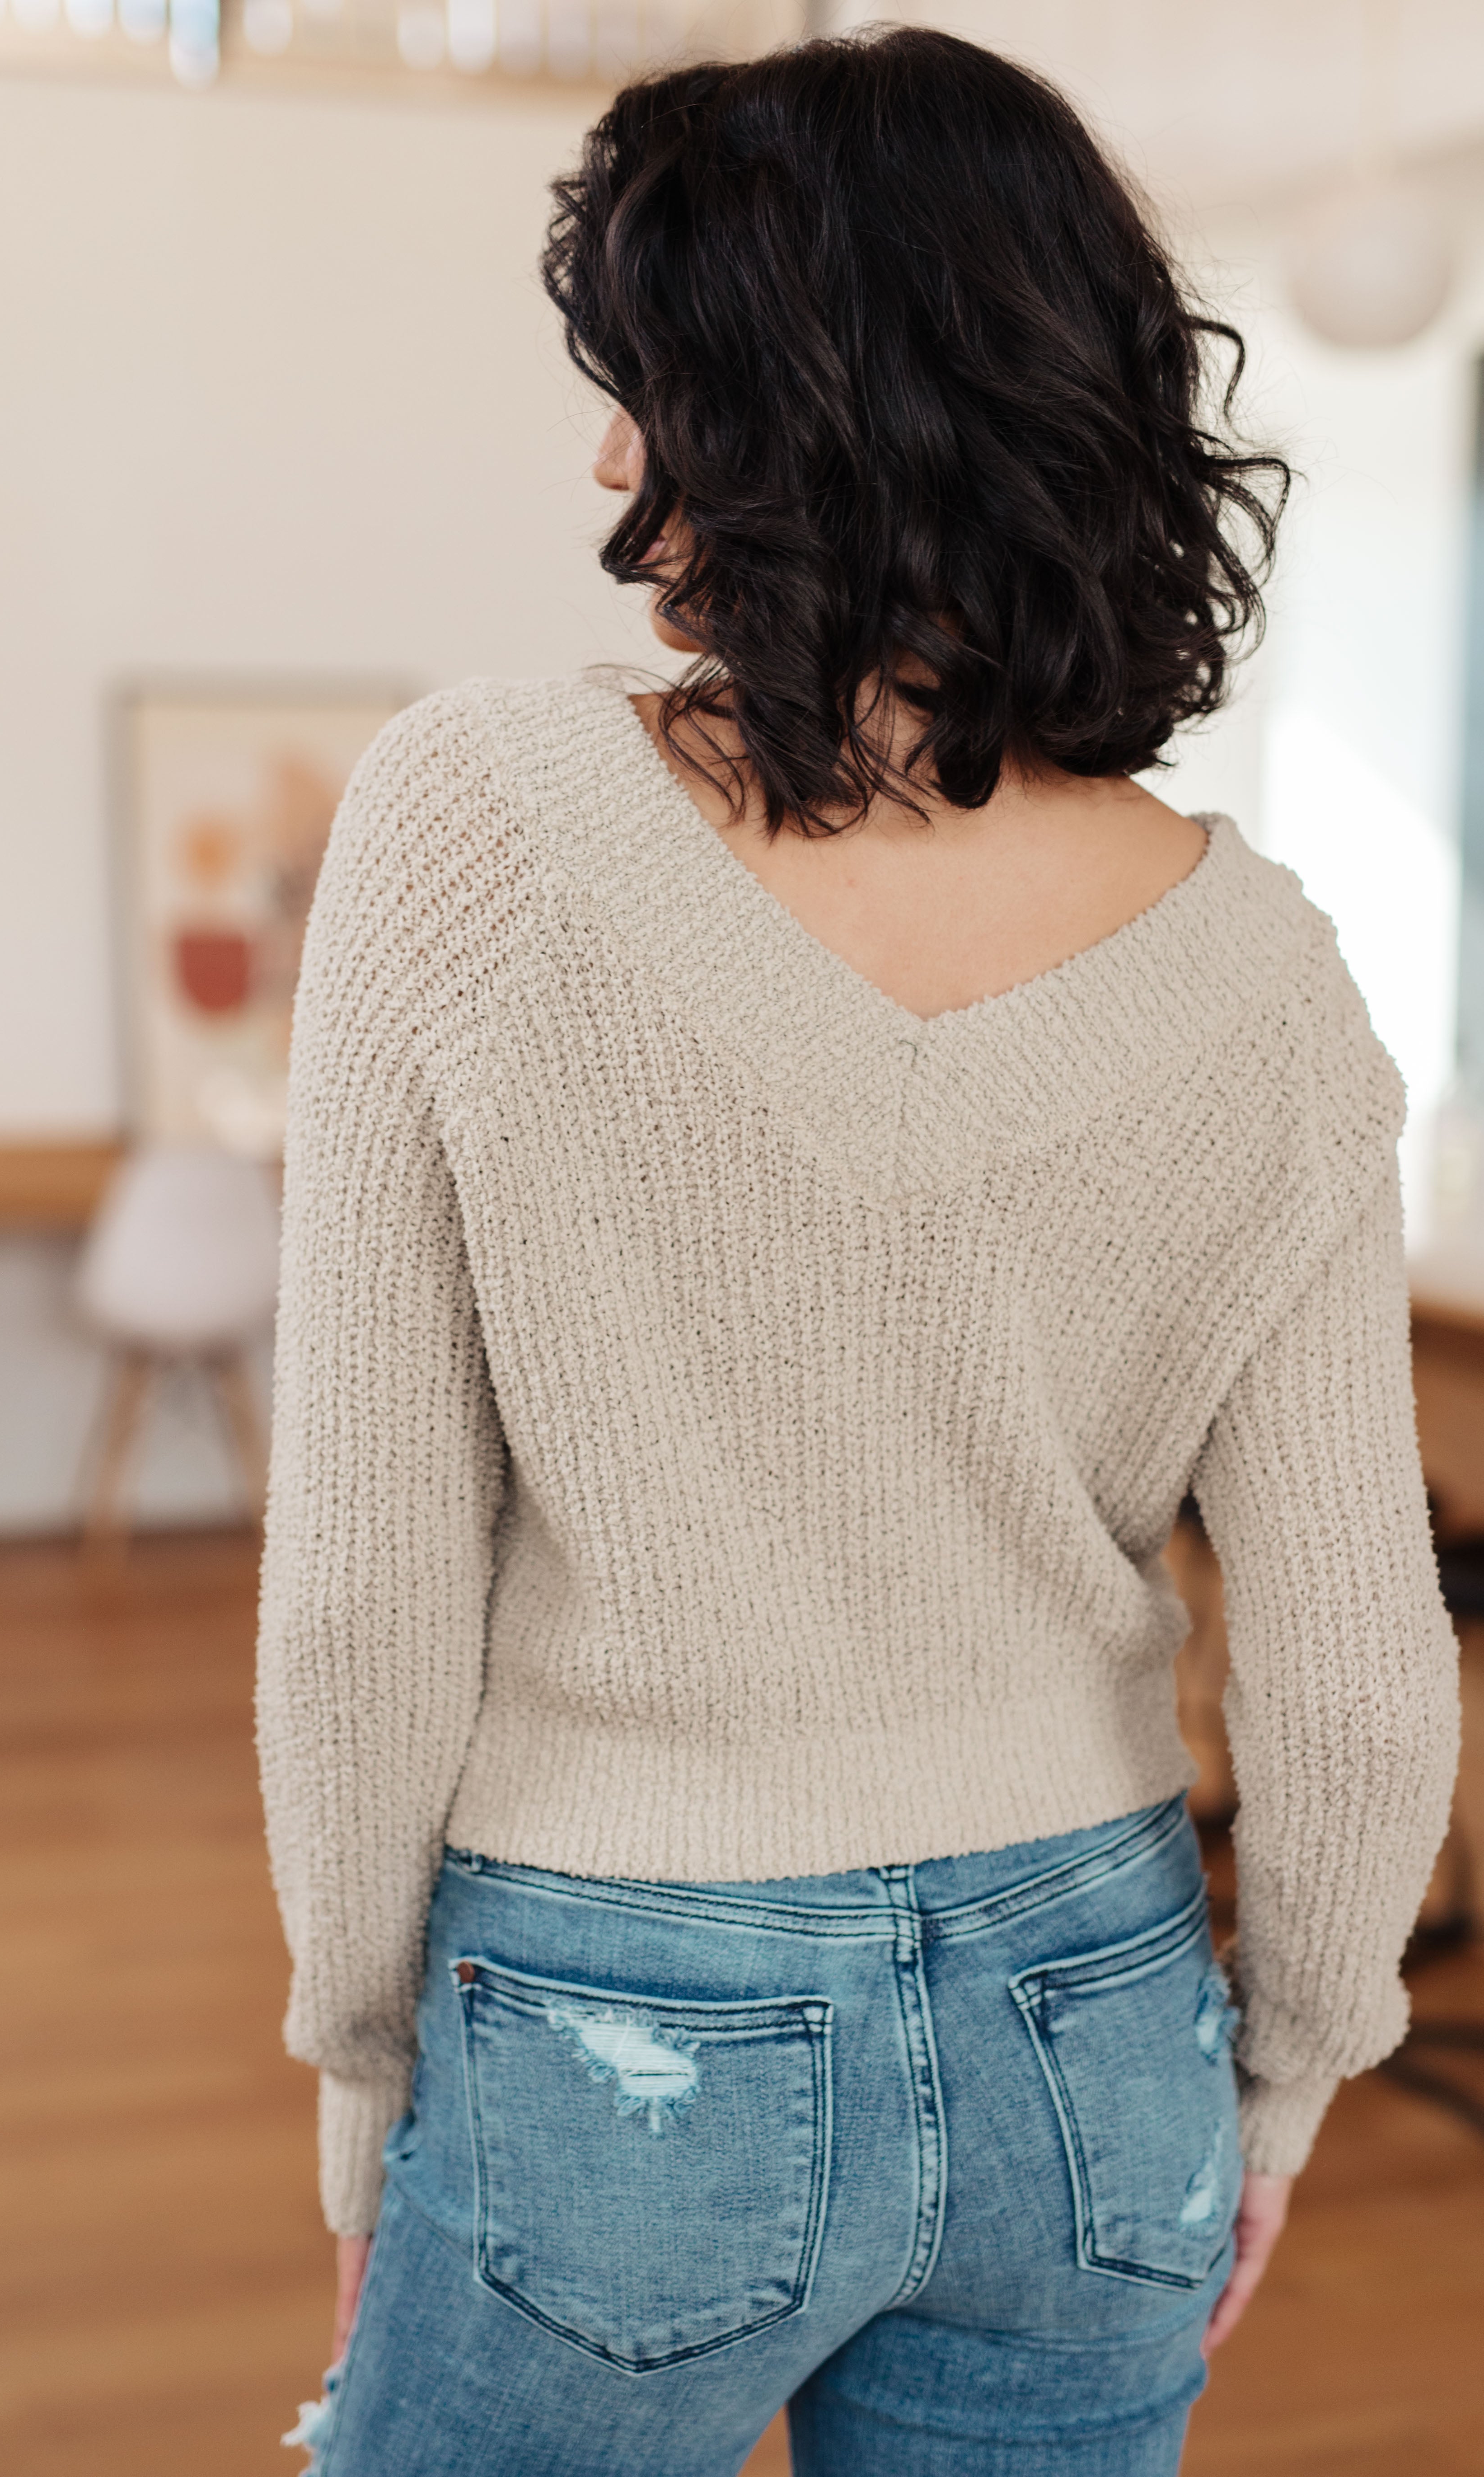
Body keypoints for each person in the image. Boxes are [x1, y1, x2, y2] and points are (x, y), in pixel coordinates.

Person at [257, 29, 1460, 2476]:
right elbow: (1353, 1665)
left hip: (612, 2023)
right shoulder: (1269, 977)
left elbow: (365, 1586)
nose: (611, 457)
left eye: (650, 384)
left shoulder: (470, 825)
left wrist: (360, 2056)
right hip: (1100, 2025)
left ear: (802, 405)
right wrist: (1304, 2066)